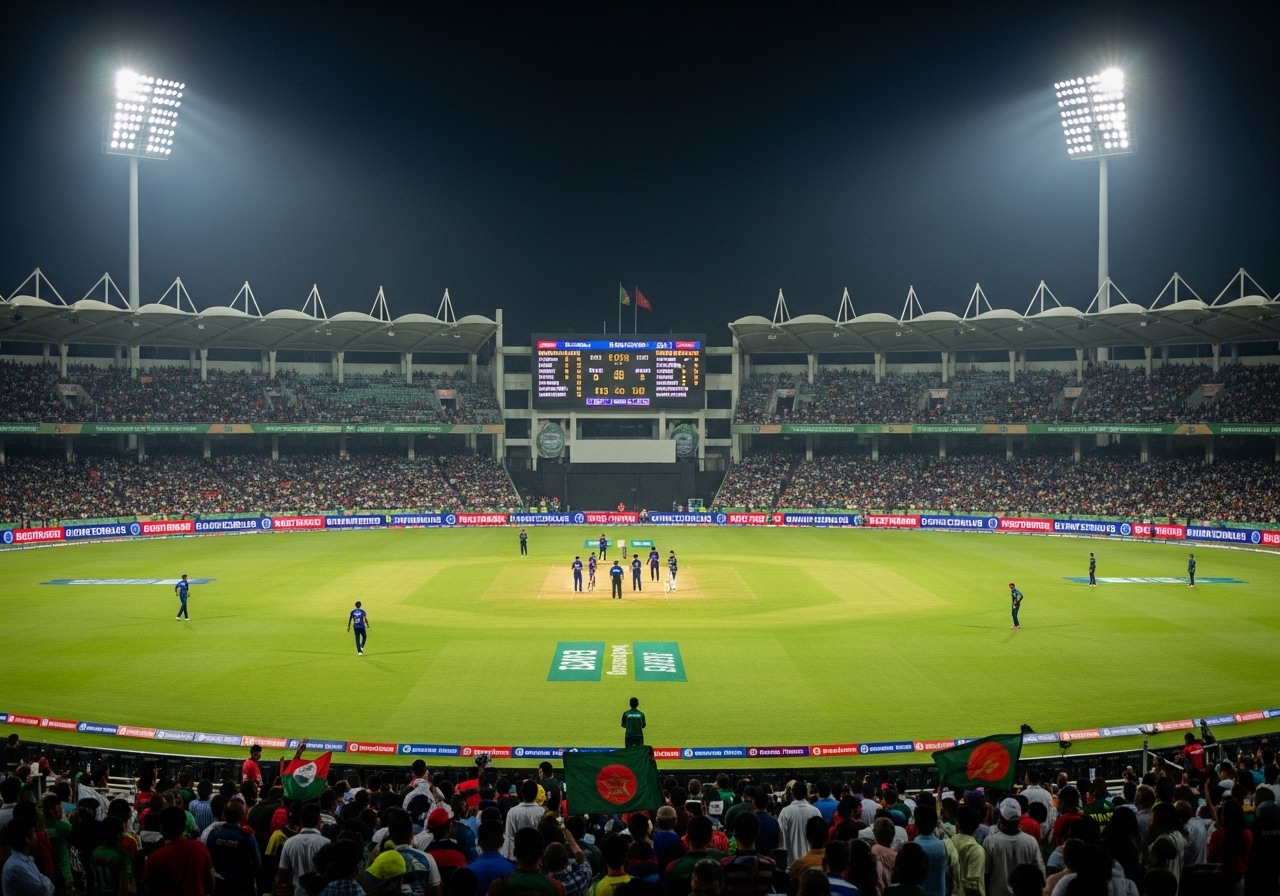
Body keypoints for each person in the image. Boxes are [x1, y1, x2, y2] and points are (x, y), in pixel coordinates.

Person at [144, 807, 215, 896]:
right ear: (184, 825)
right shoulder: (200, 848)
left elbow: (149, 887)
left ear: (162, 827)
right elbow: (210, 884)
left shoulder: (156, 857)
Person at [982, 799, 1043, 896]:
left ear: (1001, 817)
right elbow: (1040, 872)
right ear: (1019, 819)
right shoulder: (1031, 842)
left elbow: (986, 873)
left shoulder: (991, 841)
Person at [277, 804, 329, 896]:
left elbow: (282, 874)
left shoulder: (289, 842)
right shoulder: (326, 843)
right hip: (322, 891)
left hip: (298, 891)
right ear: (318, 822)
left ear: (301, 822)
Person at [3, 817, 55, 896]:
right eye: (33, 832)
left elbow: (43, 882)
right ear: (27, 840)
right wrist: (47, 884)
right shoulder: (16, 867)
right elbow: (43, 890)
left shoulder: (26, 859)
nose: (36, 837)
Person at [779, 782, 823, 867]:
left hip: (791, 863)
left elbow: (781, 837)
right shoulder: (815, 811)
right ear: (806, 793)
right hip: (811, 863)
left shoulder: (785, 812)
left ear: (793, 794)